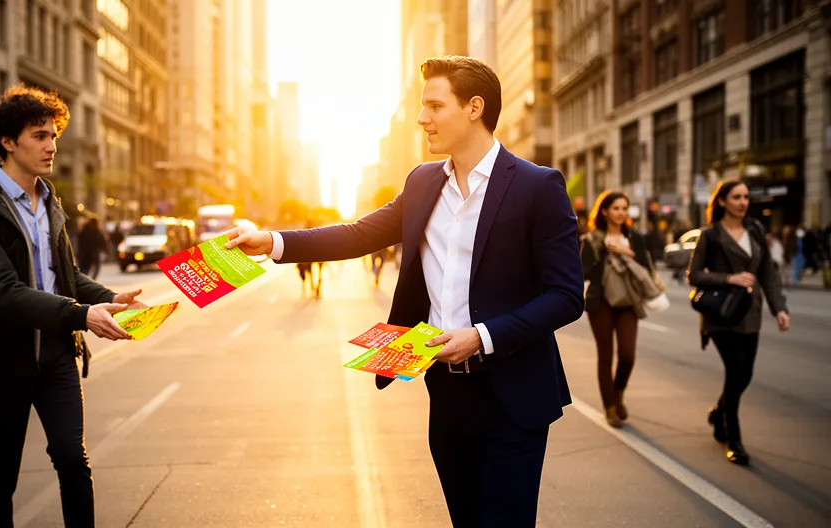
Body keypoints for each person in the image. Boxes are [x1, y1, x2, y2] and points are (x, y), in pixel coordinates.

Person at [225, 56, 583, 527]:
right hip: (447, 394)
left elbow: (566, 296)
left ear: (474, 107)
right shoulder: (421, 182)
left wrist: (481, 335)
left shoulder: (538, 186)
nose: (422, 118)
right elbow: (358, 234)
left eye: (434, 106)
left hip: (512, 396)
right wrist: (274, 242)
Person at [0, 84, 144, 527]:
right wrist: (81, 314)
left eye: (53, 135)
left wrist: (109, 298)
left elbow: (62, 275)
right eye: (39, 136)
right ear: (7, 143)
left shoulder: (50, 200)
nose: (51, 146)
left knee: (73, 460)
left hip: (56, 355)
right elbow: (2, 291)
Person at [688, 180, 790, 466]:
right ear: (722, 201)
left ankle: (719, 413)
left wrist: (779, 309)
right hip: (721, 315)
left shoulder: (755, 230)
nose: (743, 202)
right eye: (736, 197)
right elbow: (693, 275)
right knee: (736, 372)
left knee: (745, 375)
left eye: (746, 197)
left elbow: (768, 273)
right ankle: (733, 438)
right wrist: (728, 278)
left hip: (750, 313)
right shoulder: (711, 235)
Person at [581, 191, 656, 428]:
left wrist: (625, 252)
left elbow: (646, 266)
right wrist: (601, 252)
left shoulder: (634, 238)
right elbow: (583, 272)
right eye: (616, 208)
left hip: (629, 302)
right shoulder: (593, 239)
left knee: (627, 355)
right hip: (601, 302)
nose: (621, 213)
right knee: (605, 356)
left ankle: (619, 391)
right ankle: (610, 407)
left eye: (624, 208)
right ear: (605, 211)